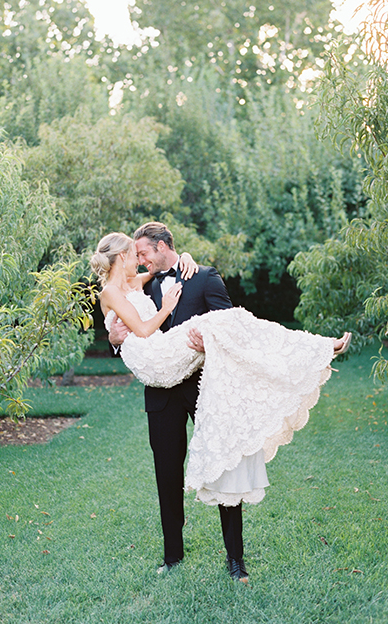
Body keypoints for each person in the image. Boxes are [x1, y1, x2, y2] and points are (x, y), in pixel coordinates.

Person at [91, 223, 351, 583]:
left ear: (164, 246)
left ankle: (235, 559)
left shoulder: (204, 276)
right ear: (125, 257)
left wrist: (206, 341)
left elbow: (234, 337)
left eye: (145, 253)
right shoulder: (139, 284)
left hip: (202, 386)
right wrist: (113, 337)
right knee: (166, 478)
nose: (142, 259)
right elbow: (125, 332)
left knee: (226, 462)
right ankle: (172, 557)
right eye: (136, 255)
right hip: (161, 389)